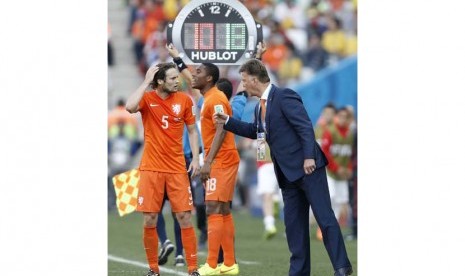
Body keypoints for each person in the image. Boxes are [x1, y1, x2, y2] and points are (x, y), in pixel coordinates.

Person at [214, 59, 353, 276]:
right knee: (294, 227)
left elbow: (304, 126)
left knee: (325, 219)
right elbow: (256, 132)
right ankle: (298, 273)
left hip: (308, 169)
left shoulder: (284, 96)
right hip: (287, 176)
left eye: (243, 80)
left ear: (253, 78)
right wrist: (228, 121)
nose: (241, 85)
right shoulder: (260, 108)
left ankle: (342, 267)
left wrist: (309, 157)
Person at [125, 62, 201, 276]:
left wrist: (195, 158)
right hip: (151, 168)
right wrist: (145, 81)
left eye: (177, 77)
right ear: (159, 81)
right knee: (150, 218)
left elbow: (193, 131)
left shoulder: (185, 100)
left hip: (177, 168)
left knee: (184, 217)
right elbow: (130, 107)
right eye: (172, 78)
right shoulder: (147, 99)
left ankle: (193, 268)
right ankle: (153, 269)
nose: (178, 81)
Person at [193, 63, 241, 276]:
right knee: (222, 209)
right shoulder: (208, 98)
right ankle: (229, 263)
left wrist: (208, 161)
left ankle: (212, 265)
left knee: (212, 207)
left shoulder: (217, 98)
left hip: (222, 160)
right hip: (222, 159)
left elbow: (222, 128)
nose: (194, 75)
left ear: (210, 78)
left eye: (199, 72)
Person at [320, 107, 354, 225]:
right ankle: (324, 226)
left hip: (342, 174)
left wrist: (349, 169)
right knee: (331, 197)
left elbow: (349, 154)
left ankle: (332, 226)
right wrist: (336, 168)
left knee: (341, 200)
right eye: (340, 117)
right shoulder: (330, 131)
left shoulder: (349, 134)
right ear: (337, 117)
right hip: (330, 172)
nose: (343, 120)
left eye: (346, 117)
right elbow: (325, 153)